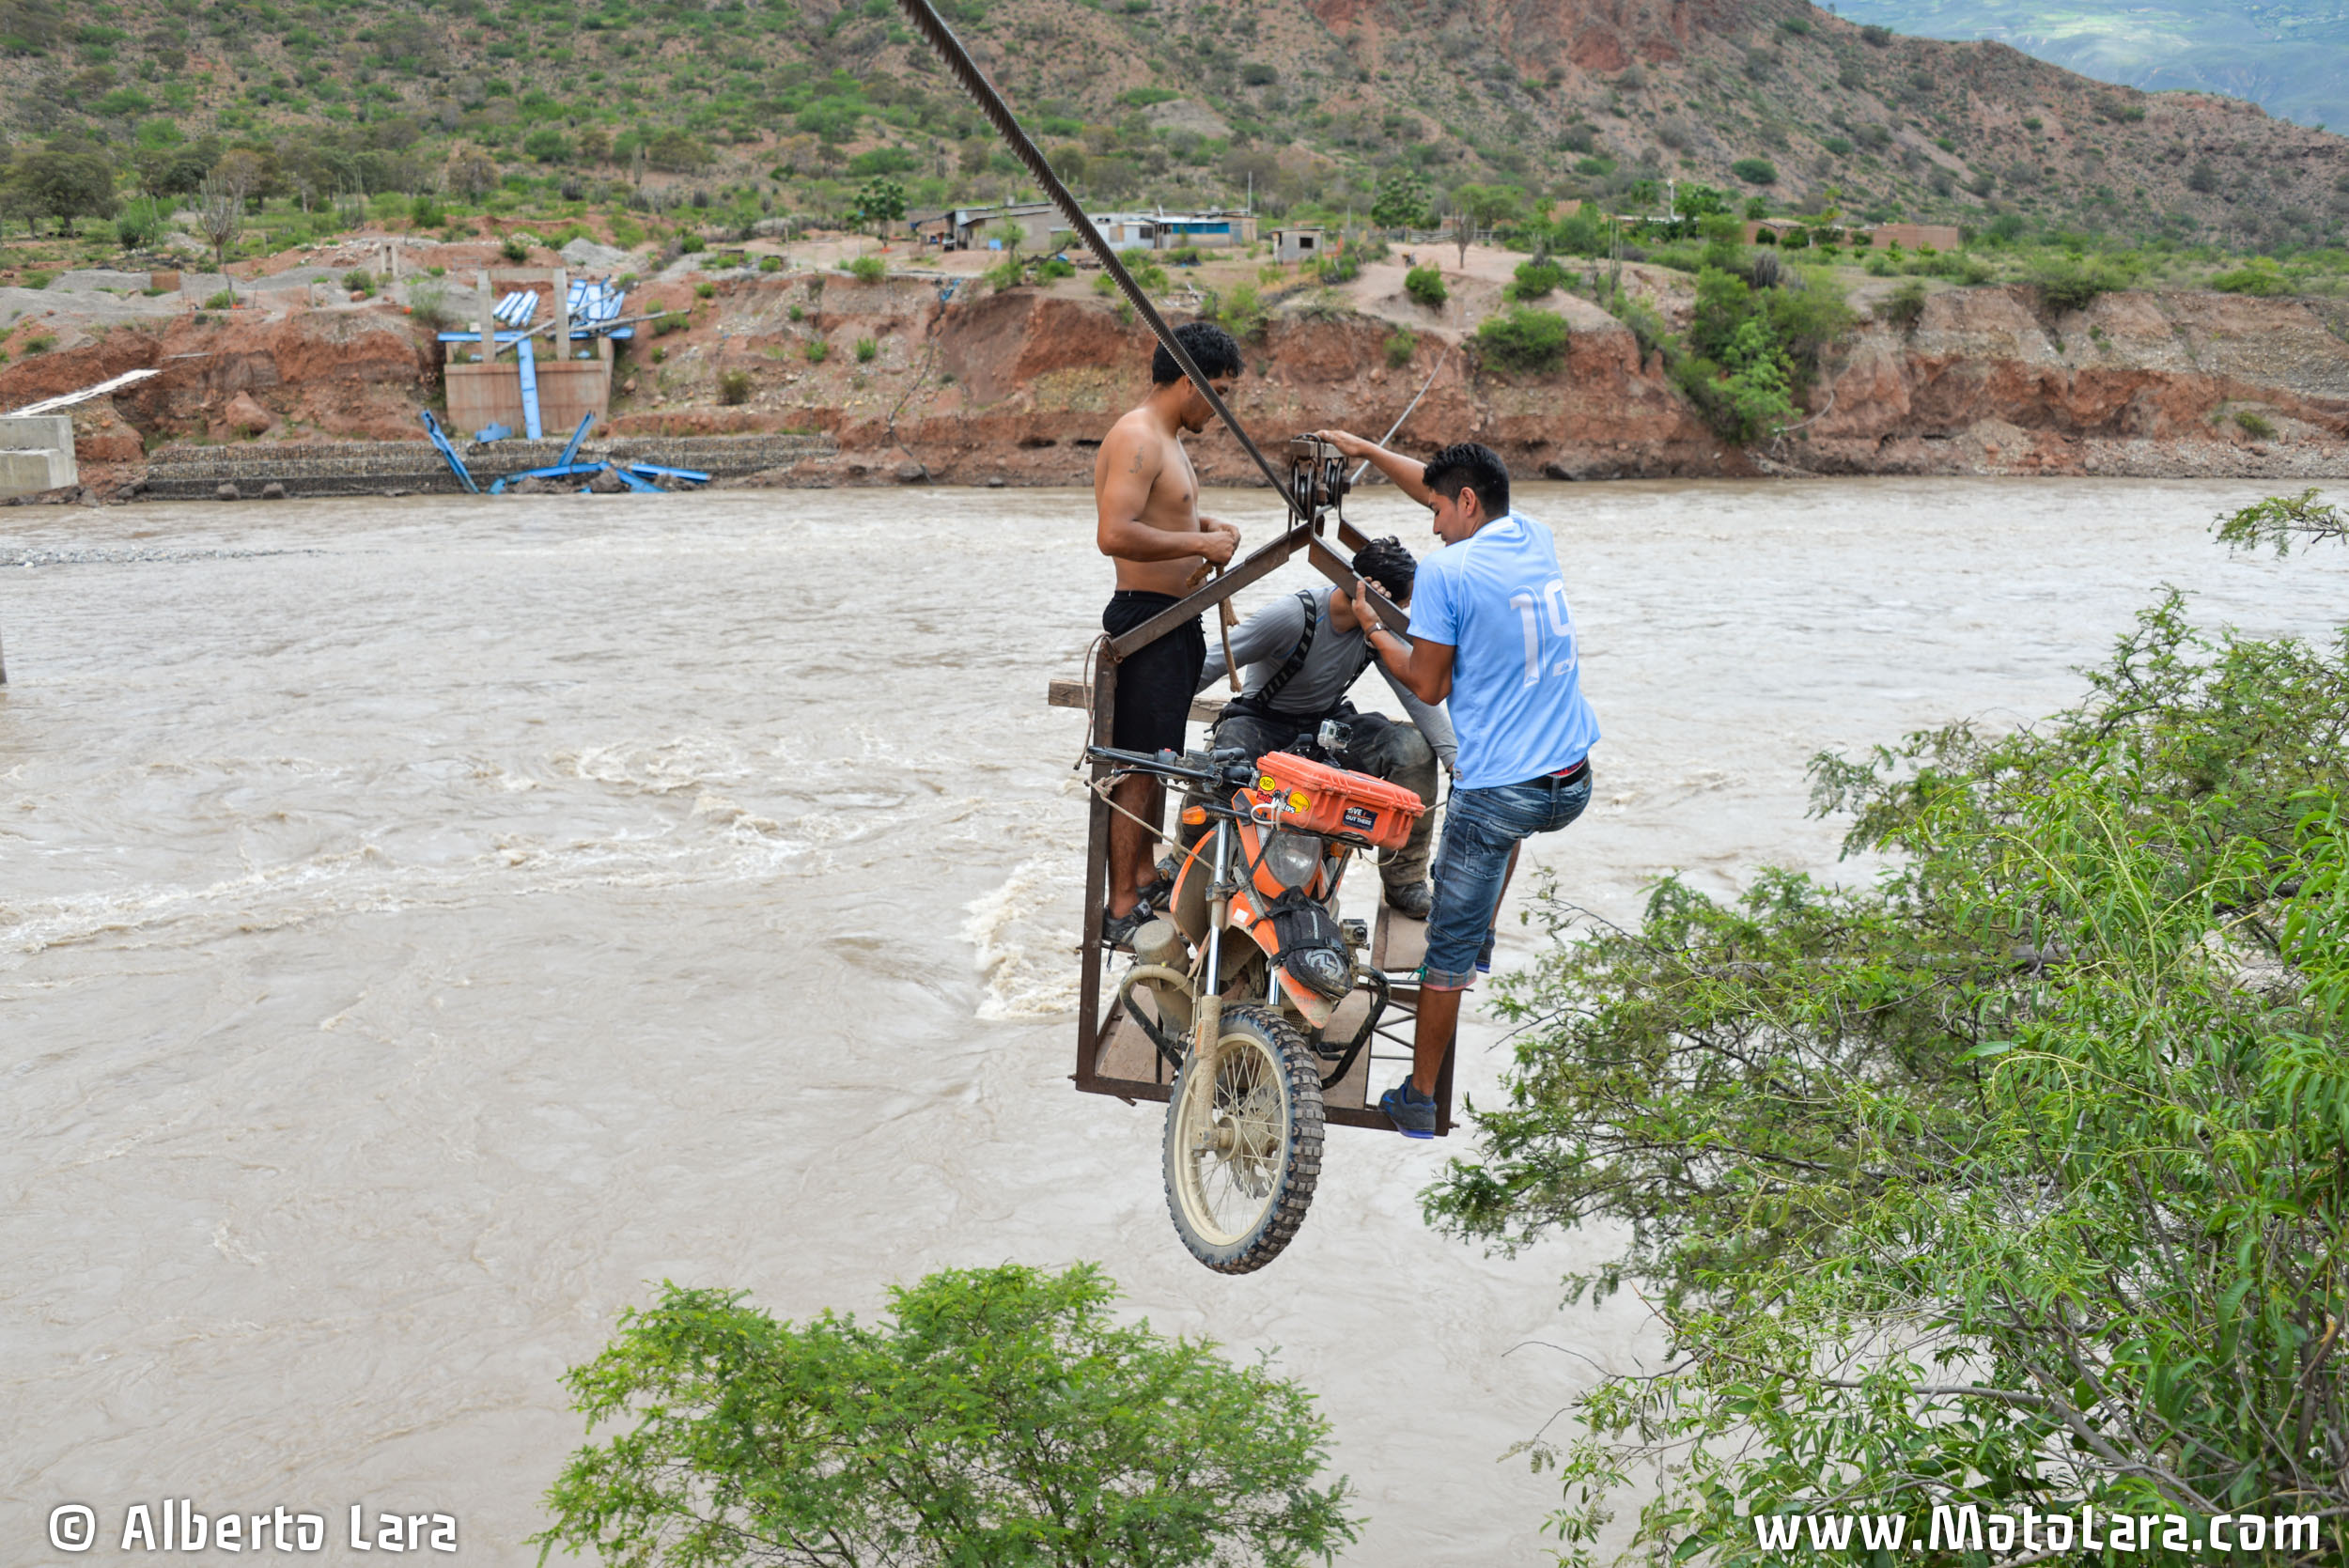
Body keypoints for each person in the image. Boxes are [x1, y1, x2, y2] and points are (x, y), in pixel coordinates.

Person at [1314, 432, 1601, 1137]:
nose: (1431, 524)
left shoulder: (1446, 572)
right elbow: (1438, 484)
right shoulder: (1532, 533)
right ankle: (1485, 937)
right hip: (1570, 778)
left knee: (1441, 957)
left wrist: (1380, 633)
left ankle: (1417, 1095)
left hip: (1502, 790)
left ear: (1467, 502)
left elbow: (1428, 682)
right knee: (1505, 830)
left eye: (1438, 510)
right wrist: (1362, 447)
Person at [1191, 536, 1453, 917]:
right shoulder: (1293, 616)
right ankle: (1188, 864)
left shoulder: (1376, 628)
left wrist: (1455, 761)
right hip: (1262, 722)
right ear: (1375, 597)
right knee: (1222, 762)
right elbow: (1211, 663)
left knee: (1411, 748)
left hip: (1324, 726)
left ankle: (1404, 881)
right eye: (1403, 603)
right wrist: (1154, 709)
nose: (1407, 611)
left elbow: (1417, 694)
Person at [1092, 320, 1246, 948]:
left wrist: (1202, 524)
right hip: (1145, 621)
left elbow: (1162, 513)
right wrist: (1199, 541)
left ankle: (1144, 872)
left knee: (1158, 761)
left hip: (1175, 621)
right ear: (1189, 381)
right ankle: (1121, 899)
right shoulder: (1138, 436)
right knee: (1135, 764)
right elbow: (1114, 533)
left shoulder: (1167, 438)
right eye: (1221, 391)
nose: (1223, 405)